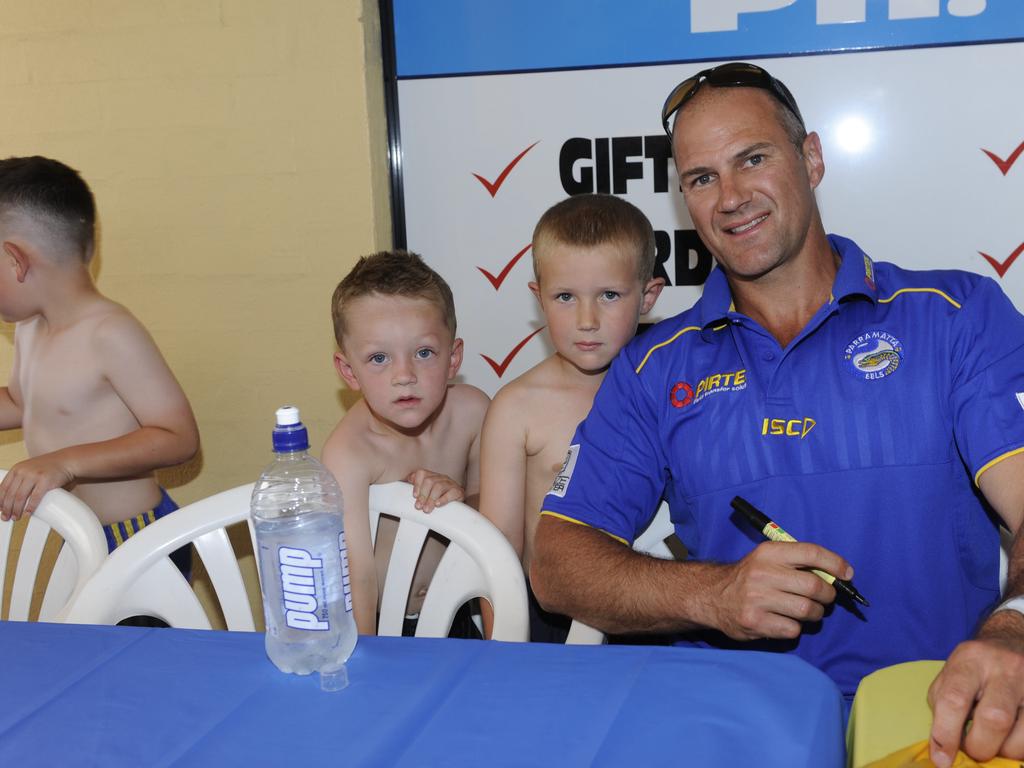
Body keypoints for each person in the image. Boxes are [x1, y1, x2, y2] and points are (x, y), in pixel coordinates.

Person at [529, 63, 1024, 766]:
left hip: (939, 718)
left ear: (812, 158)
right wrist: (713, 594)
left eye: (752, 159)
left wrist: (1015, 628)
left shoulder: (957, 316)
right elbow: (557, 562)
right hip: (739, 728)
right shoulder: (654, 367)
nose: (730, 197)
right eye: (701, 179)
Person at [0, 156, 199, 573]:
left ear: (16, 260)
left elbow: (178, 438)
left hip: (134, 537)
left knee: (135, 642)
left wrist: (65, 462)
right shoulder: (32, 328)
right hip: (76, 535)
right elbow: (26, 403)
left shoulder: (110, 333)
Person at [479, 193, 664, 642]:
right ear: (538, 297)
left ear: (647, 296)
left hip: (655, 611)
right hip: (548, 626)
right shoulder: (516, 408)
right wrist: (502, 653)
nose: (586, 319)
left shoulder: (670, 388)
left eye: (608, 295)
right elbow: (495, 553)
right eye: (565, 296)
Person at [322, 250, 490, 635]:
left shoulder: (473, 413)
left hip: (456, 616)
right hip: (381, 627)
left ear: (453, 358)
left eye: (424, 353)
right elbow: (357, 576)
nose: (404, 375)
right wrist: (369, 661)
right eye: (379, 358)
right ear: (349, 371)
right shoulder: (349, 453)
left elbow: (496, 514)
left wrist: (461, 499)